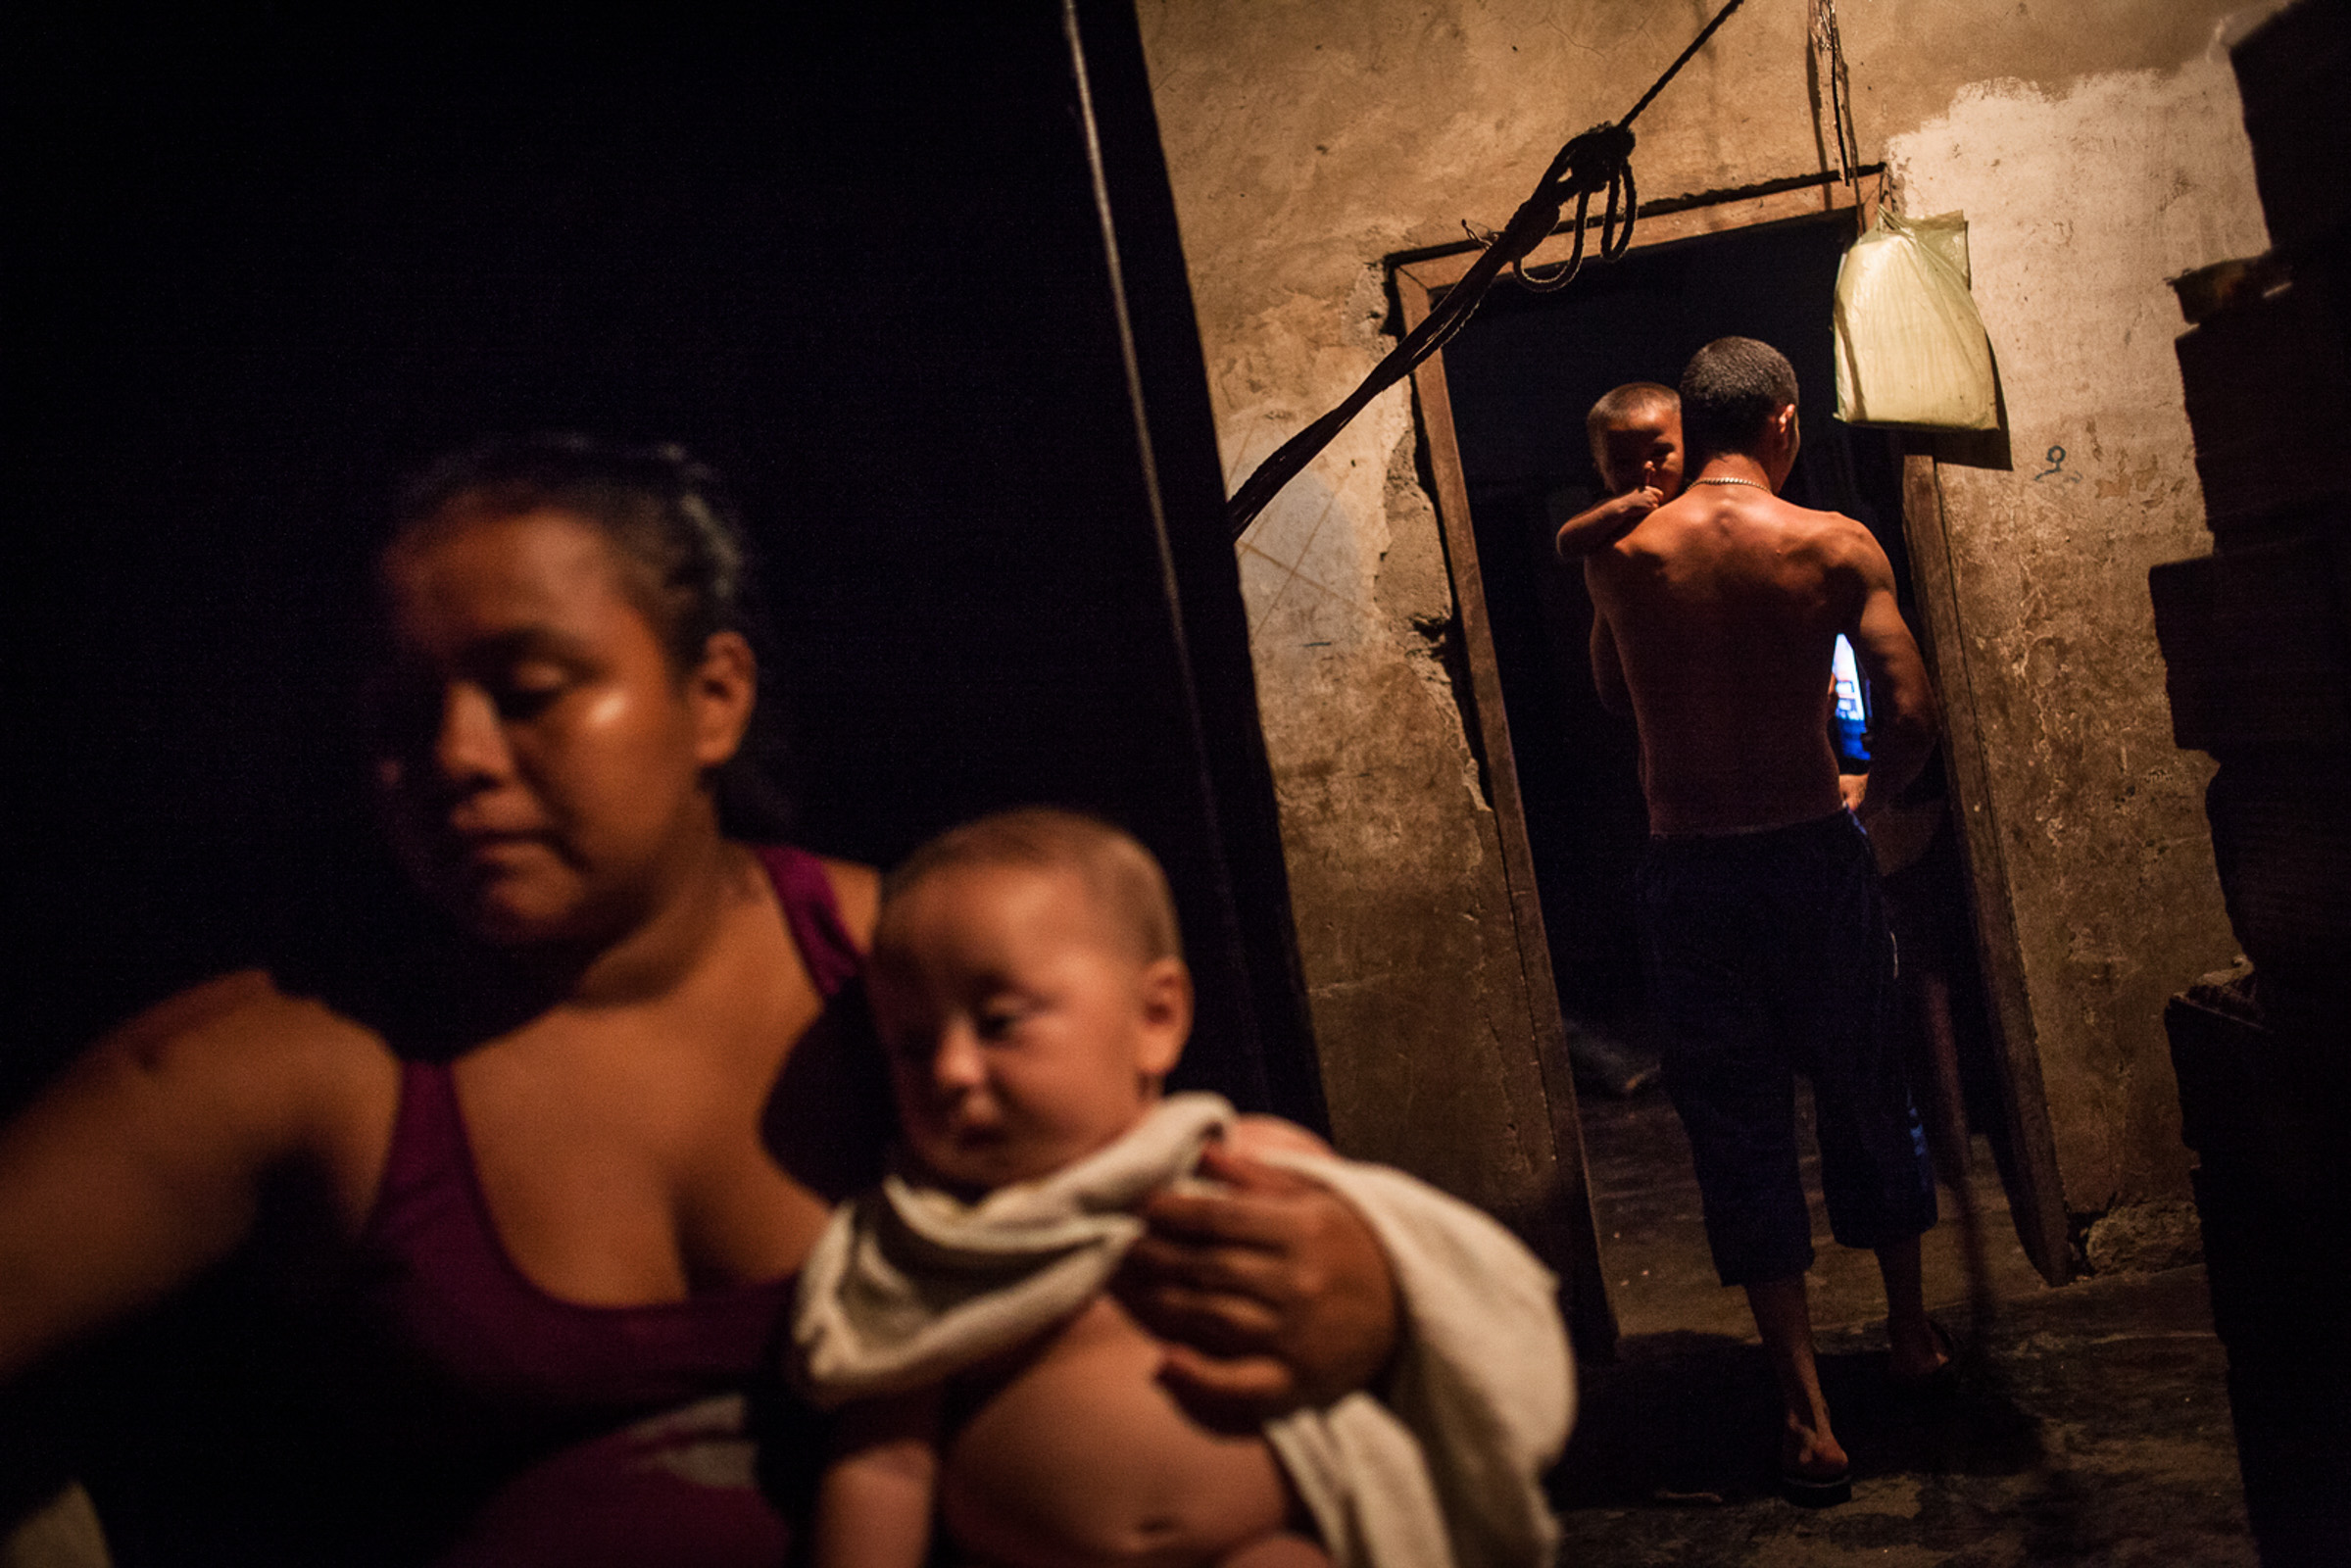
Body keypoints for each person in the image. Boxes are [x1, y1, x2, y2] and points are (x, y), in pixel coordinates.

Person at [0, 438, 1403, 1566]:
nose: (455, 757)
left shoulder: (923, 978)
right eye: (396, 718)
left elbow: (1220, 1224)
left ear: (712, 694)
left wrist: (1355, 1300)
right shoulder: (306, 1064)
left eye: (528, 689)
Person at [791, 809, 1572, 1568]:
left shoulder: (1244, 1169)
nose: (951, 1074)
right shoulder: (926, 1246)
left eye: (998, 1023)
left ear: (1155, 1017)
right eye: (910, 1045)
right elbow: (885, 1465)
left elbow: (1434, 1292)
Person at [1580, 339, 1948, 1506]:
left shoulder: (1620, 550)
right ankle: (1905, 1330)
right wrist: (1860, 798)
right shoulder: (1831, 543)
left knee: (1736, 1124)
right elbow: (1908, 713)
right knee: (1862, 1080)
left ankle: (1802, 1412)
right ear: (1783, 422)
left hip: (1689, 868)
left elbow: (1609, 693)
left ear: (1690, 427)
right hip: (1807, 853)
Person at [1551, 380, 1685, 563]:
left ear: (1687, 451)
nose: (1645, 466)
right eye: (1624, 462)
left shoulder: (1695, 494)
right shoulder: (1611, 514)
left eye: (1659, 453)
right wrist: (1620, 507)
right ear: (1602, 474)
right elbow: (1566, 544)